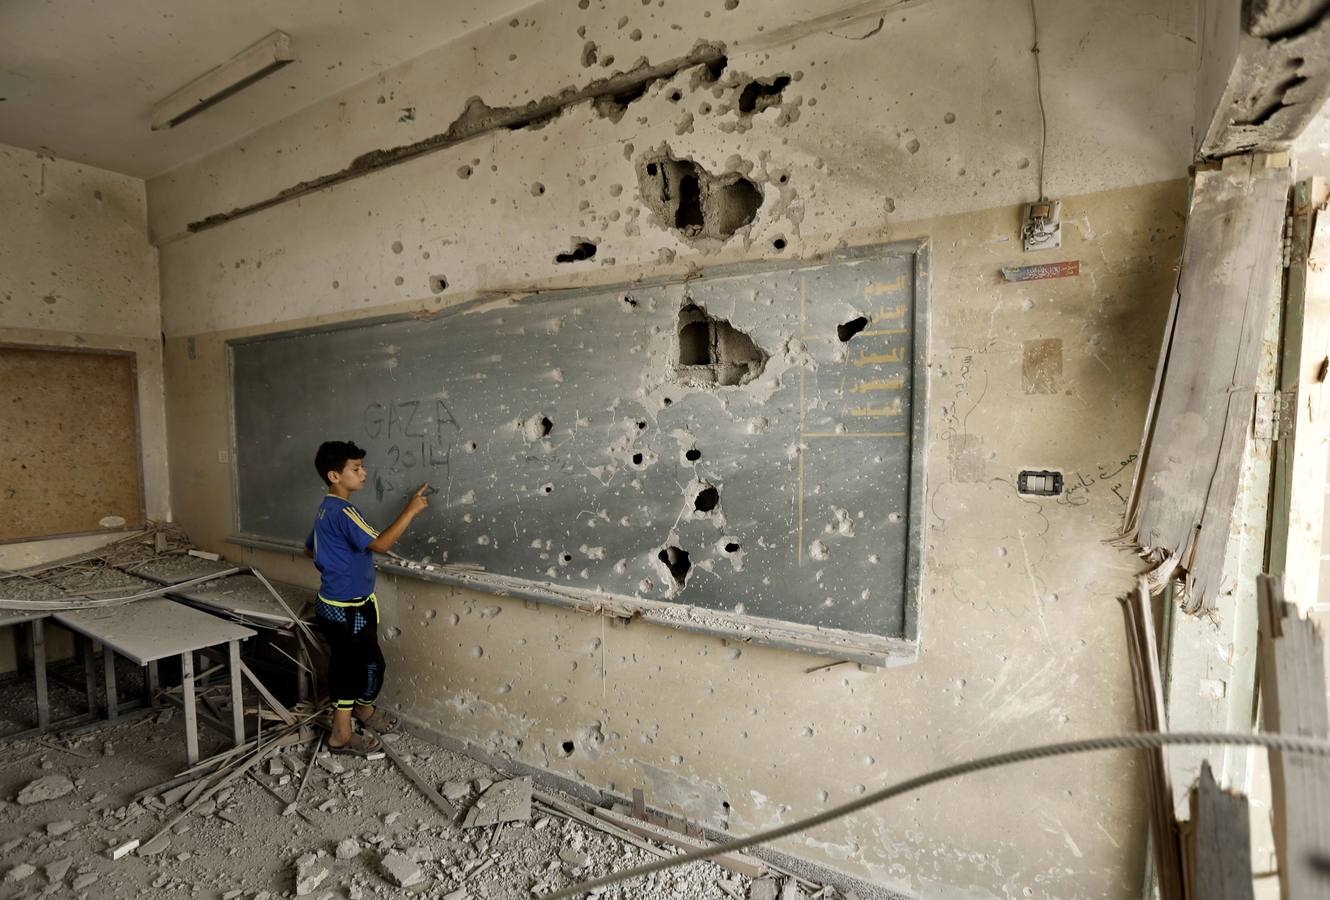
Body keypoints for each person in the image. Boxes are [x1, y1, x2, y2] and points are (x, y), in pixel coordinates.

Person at [304, 440, 429, 755]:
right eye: (356, 468)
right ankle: (340, 735)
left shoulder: (326, 509)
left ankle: (364, 711)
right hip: (345, 608)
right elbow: (381, 544)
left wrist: (336, 561)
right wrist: (410, 510)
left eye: (361, 466)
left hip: (348, 604)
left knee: (369, 663)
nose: (364, 473)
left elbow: (309, 548)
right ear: (335, 476)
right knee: (349, 668)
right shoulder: (344, 511)